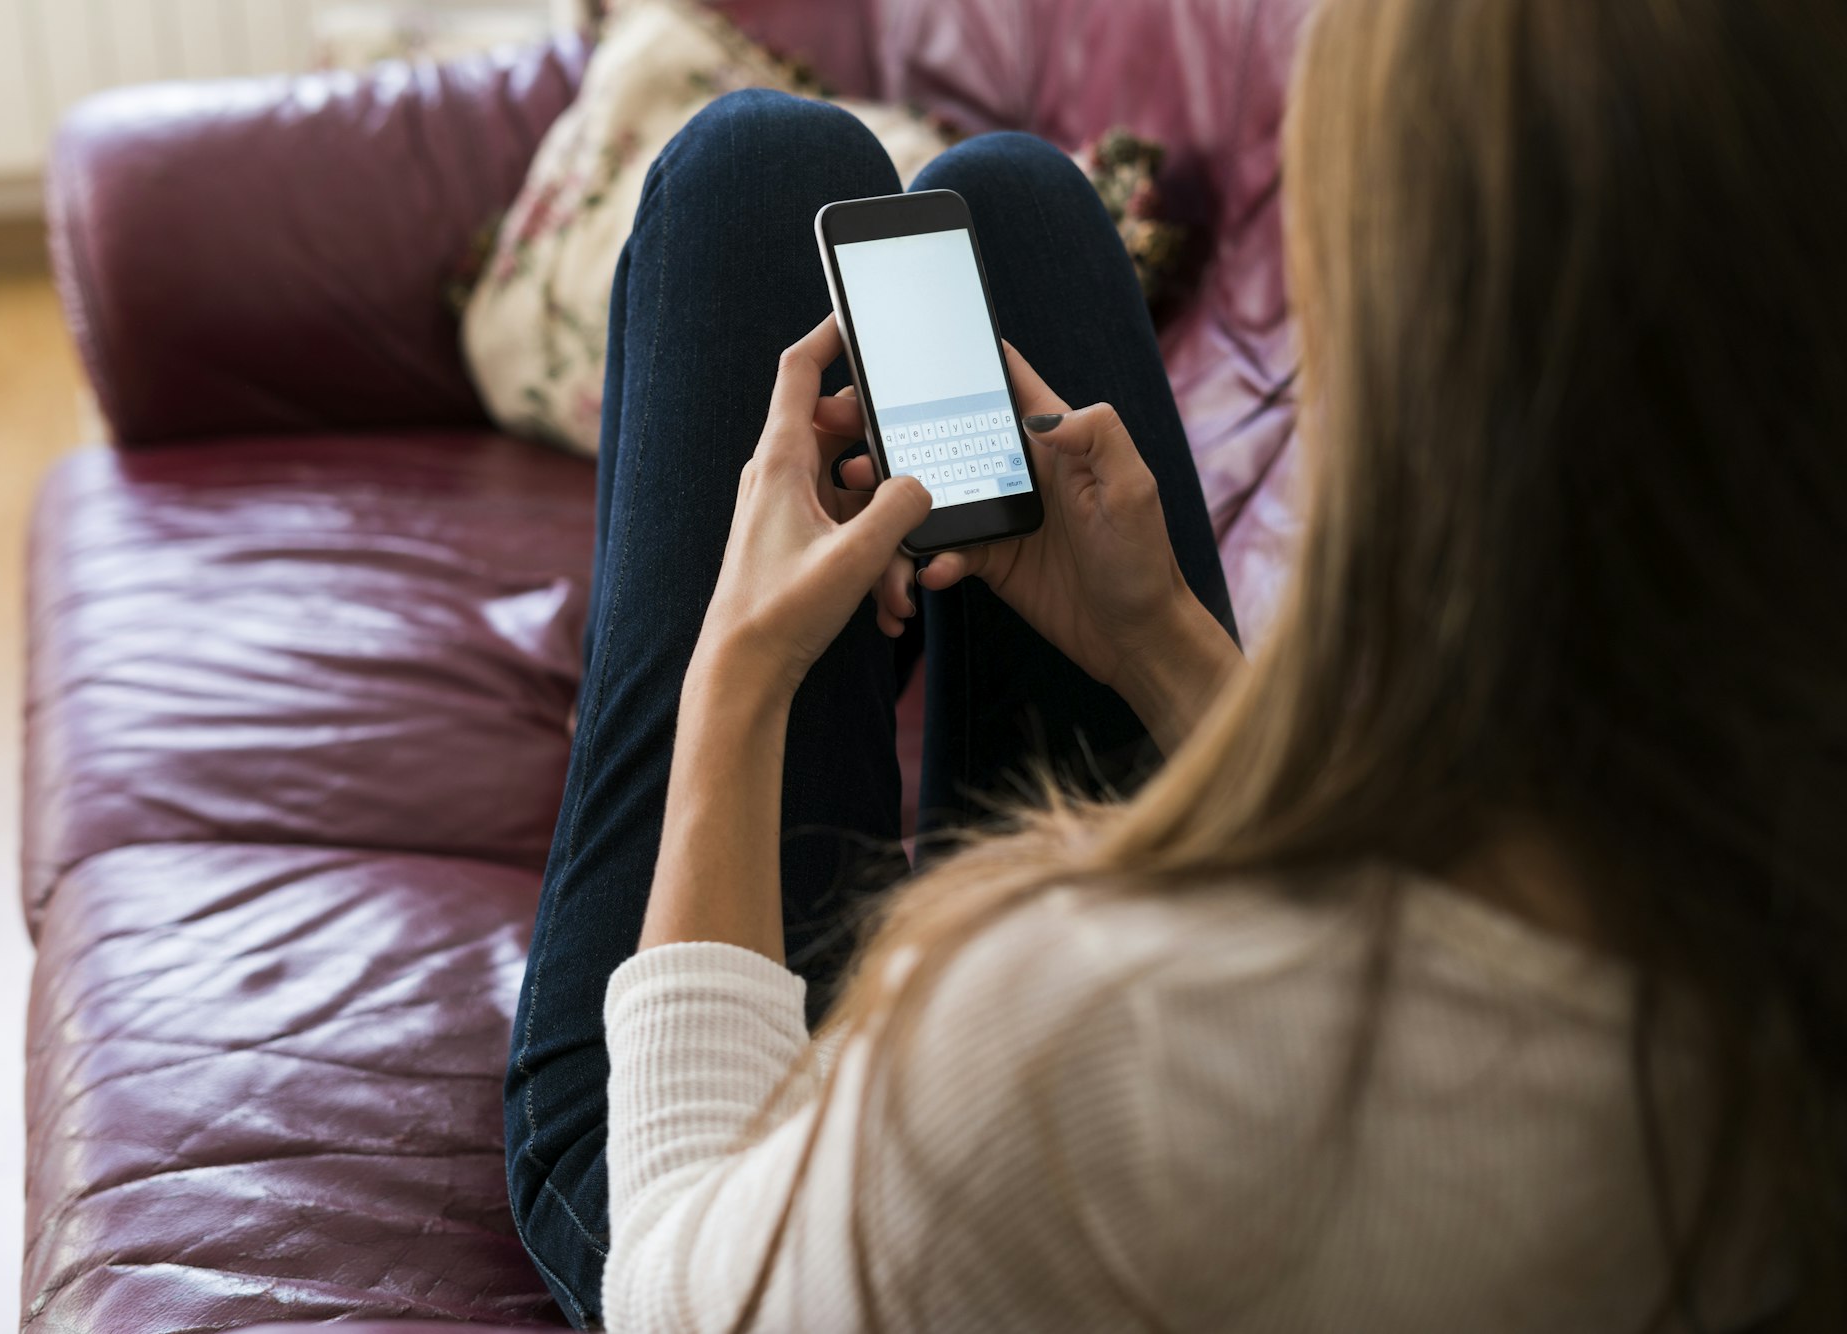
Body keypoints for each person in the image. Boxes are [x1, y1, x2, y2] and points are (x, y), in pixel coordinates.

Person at [504, 0, 1847, 1328]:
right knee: (1014, 202)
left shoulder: (1070, 1029)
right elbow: (1424, 898)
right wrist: (1161, 642)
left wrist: (736, 681)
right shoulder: (1757, 984)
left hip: (789, 1190)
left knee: (749, 168)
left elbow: (684, 1282)